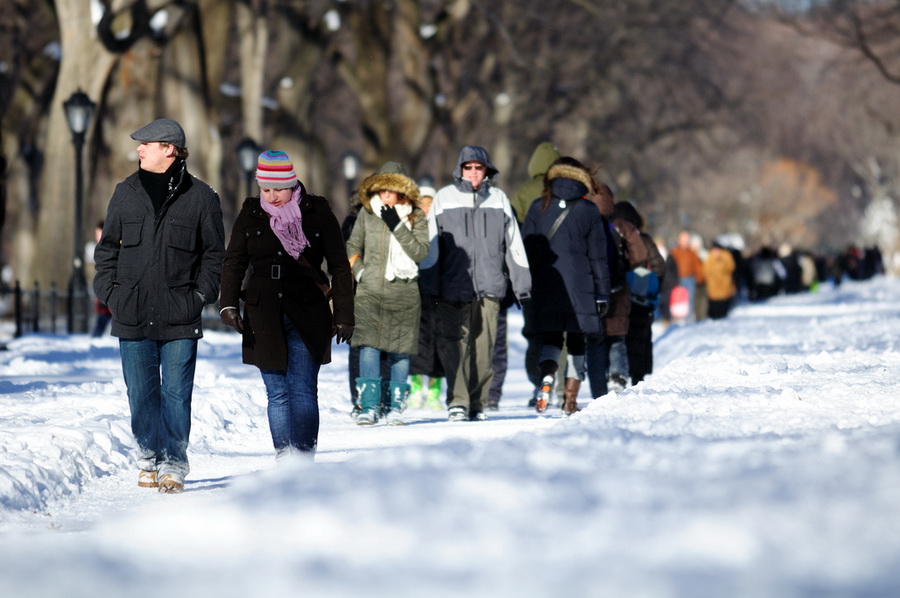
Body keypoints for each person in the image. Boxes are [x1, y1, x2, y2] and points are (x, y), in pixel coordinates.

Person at [93, 118, 225, 493]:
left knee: (177, 394)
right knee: (141, 393)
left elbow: (214, 255)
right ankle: (148, 455)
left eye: (146, 143)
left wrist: (199, 297)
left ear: (169, 149)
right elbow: (106, 253)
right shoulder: (125, 192)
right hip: (131, 312)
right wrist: (111, 294)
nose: (138, 149)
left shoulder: (202, 198)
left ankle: (173, 463)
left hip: (180, 314)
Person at [219, 150, 354, 458]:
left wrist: (345, 314)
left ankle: (303, 457)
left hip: (308, 308)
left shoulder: (317, 211)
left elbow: (339, 265)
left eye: (278, 188)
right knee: (277, 392)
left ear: (291, 183)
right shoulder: (251, 213)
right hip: (262, 310)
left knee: (303, 388)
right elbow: (234, 261)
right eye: (265, 189)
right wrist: (227, 303)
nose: (272, 195)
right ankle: (285, 457)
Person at [419, 146, 531, 422]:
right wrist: (428, 284)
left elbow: (514, 245)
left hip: (490, 287)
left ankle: (477, 402)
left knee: (484, 348)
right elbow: (431, 246)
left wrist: (522, 284)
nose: (472, 172)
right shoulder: (444, 198)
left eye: (477, 167)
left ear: (486, 170)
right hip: (452, 286)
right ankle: (457, 401)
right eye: (467, 167)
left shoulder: (499, 199)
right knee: (455, 345)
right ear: (460, 169)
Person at [522, 157, 610, 415]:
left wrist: (525, 285)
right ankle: (570, 400)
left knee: (550, 338)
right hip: (581, 286)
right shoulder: (589, 211)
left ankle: (547, 376)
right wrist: (602, 293)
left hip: (546, 284)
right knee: (576, 343)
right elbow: (598, 256)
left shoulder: (539, 207)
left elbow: (526, 250)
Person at [346, 165, 428, 425]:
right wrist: (360, 273)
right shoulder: (367, 214)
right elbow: (352, 245)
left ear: (401, 190)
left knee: (400, 352)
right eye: (380, 189)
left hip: (404, 293)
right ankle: (368, 406)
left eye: (390, 190)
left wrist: (397, 225)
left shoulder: (416, 216)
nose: (384, 195)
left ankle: (395, 407)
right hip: (370, 292)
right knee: (368, 348)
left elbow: (420, 253)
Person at [511, 142, 562, 405]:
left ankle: (537, 384)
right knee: (559, 329)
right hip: (561, 272)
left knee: (534, 330)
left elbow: (513, 230)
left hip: (530, 271)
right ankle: (557, 381)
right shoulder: (562, 190)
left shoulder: (523, 192)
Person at [612, 201, 666, 384]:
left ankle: (616, 375)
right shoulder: (644, 239)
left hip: (617, 295)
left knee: (617, 337)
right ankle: (638, 376)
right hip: (641, 297)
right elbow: (659, 265)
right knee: (640, 336)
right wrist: (651, 284)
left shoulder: (610, 236)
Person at [408, 184, 445, 410]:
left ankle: (434, 391)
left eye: (430, 202)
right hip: (416, 290)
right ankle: (414, 387)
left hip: (440, 292)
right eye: (423, 202)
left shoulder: (444, 226)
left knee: (439, 344)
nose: (426, 207)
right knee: (416, 343)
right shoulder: (410, 226)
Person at [670, 229, 705, 323]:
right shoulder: (674, 253)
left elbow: (697, 266)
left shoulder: (692, 253)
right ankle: (676, 321)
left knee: (690, 300)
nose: (685, 241)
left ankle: (688, 320)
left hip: (690, 279)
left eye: (687, 239)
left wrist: (700, 278)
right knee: (677, 301)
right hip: (678, 279)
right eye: (683, 239)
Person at [704, 239, 737, 319]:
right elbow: (706, 269)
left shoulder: (726, 255)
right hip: (713, 285)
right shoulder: (710, 256)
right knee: (714, 304)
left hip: (724, 284)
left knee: (723, 303)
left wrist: (721, 266)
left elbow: (731, 266)